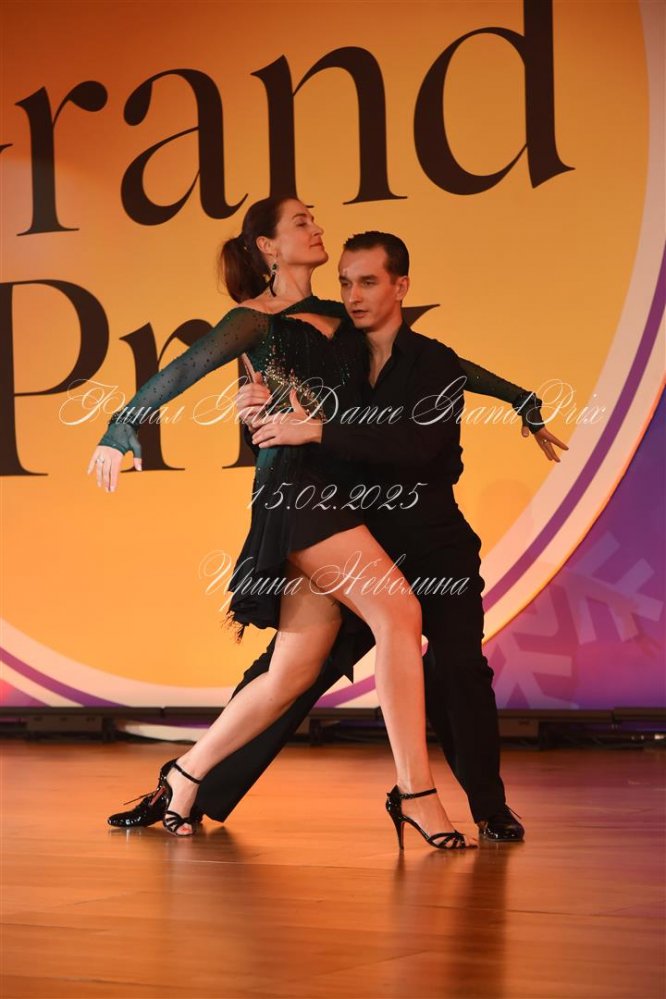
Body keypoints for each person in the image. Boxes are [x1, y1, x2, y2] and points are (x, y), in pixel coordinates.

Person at [104, 219, 567, 843]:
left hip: (411, 530)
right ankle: (402, 793)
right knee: (338, 647)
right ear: (270, 248)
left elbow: (422, 423)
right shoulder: (290, 331)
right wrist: (144, 420)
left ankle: (484, 807)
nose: (352, 292)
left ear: (399, 287)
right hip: (333, 514)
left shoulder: (402, 348)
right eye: (346, 280)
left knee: (380, 670)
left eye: (366, 282)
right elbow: (216, 381)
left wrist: (522, 401)